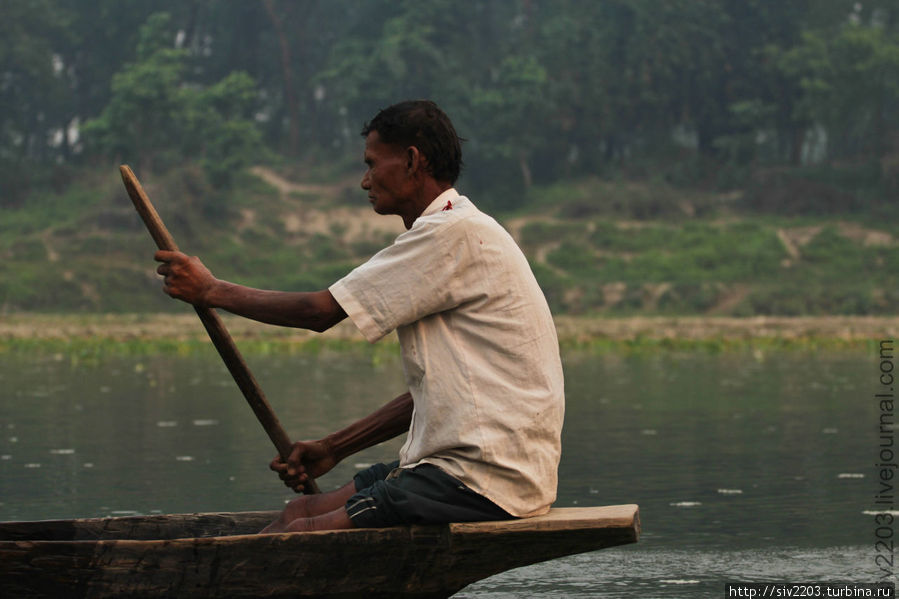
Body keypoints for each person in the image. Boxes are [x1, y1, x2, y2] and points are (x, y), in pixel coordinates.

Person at [154, 100, 564, 532]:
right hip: (465, 467)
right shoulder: (452, 229)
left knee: (301, 536)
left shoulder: (452, 233)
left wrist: (211, 290)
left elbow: (320, 312)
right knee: (299, 513)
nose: (365, 181)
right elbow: (438, 395)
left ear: (410, 161)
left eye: (372, 164)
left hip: (485, 477)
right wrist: (334, 447)